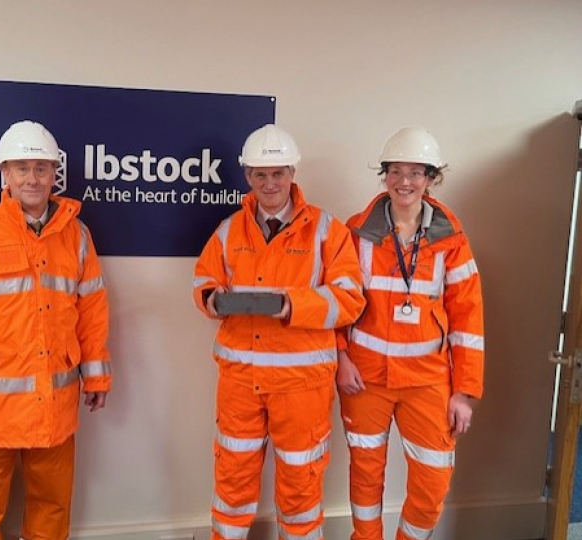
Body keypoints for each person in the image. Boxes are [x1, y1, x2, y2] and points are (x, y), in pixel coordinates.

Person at [0, 120, 111, 540]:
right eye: (22, 167)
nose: (33, 177)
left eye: (41, 168)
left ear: (54, 175)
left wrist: (97, 374)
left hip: (55, 407)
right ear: (4, 173)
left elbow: (93, 308)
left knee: (52, 508)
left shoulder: (77, 235)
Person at [193, 124, 366, 540]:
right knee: (232, 481)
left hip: (302, 386)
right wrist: (213, 300)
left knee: (300, 486)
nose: (269, 183)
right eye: (259, 174)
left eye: (278, 173)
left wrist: (292, 305)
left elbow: (350, 298)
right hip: (239, 382)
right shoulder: (229, 229)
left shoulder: (327, 230)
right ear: (247, 176)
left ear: (292, 173)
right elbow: (202, 281)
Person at [336, 127, 484, 540]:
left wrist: (464, 391)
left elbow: (468, 317)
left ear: (432, 178)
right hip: (364, 377)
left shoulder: (451, 240)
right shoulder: (355, 232)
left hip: (428, 378)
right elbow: (339, 303)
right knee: (365, 474)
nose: (405, 181)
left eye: (416, 172)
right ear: (383, 175)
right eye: (396, 171)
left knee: (434, 478)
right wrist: (340, 358)